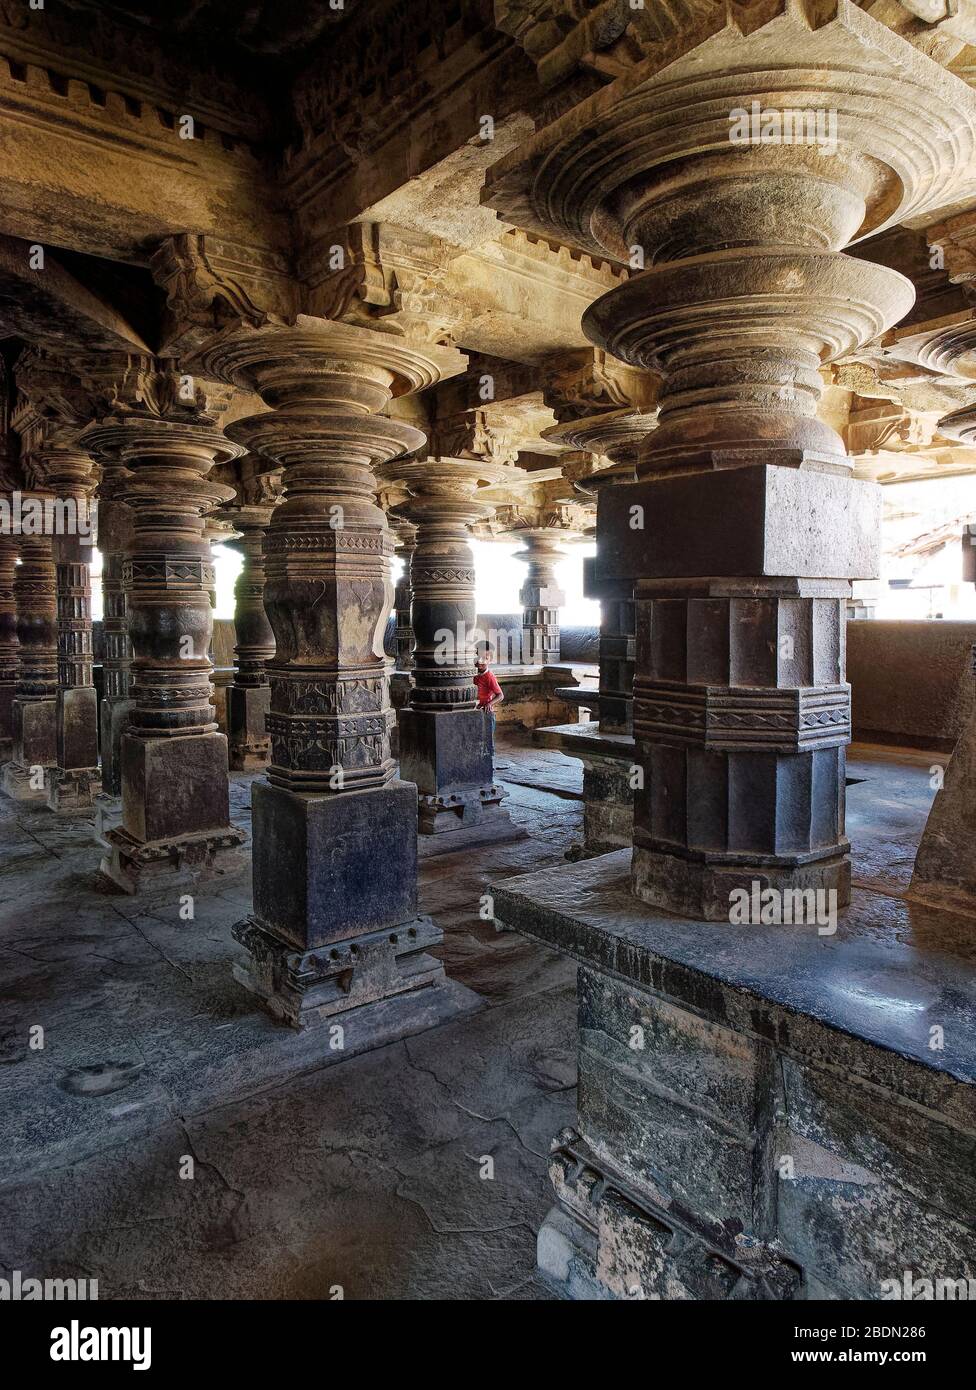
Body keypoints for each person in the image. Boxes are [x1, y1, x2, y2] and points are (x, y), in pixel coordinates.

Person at [473, 641, 504, 765]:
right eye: (478, 658)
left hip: (485, 713)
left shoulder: (489, 676)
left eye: (484, 658)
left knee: (487, 740)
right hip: (475, 710)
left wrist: (489, 704)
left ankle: (488, 765)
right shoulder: (473, 674)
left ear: (489, 660)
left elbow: (500, 695)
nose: (480, 661)